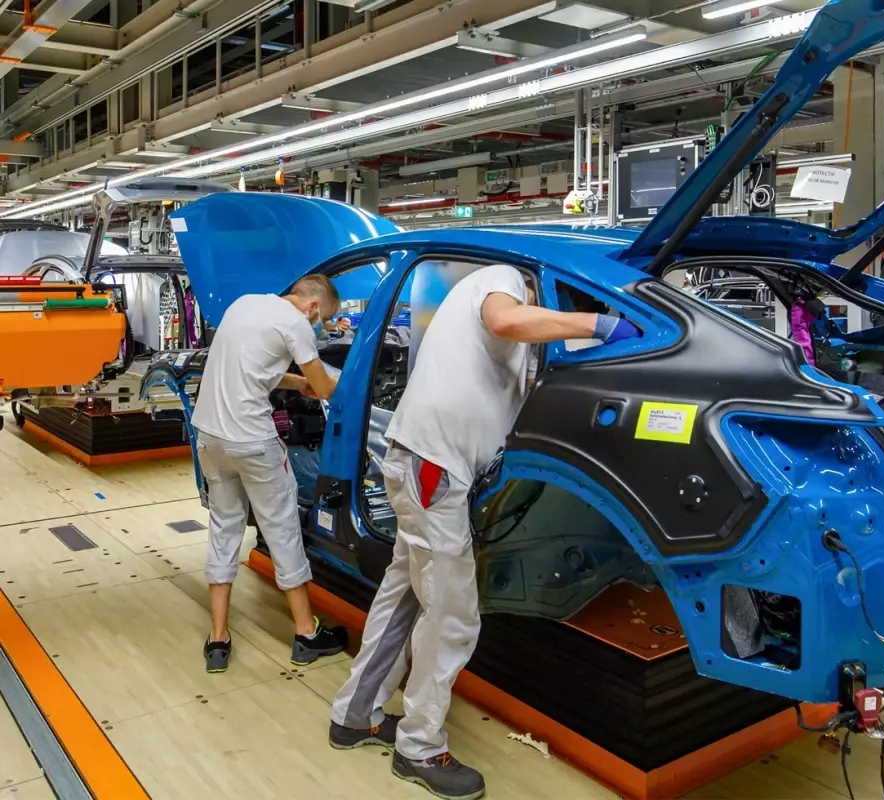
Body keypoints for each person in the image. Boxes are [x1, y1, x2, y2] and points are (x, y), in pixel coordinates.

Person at [329, 265, 639, 800]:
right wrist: (598, 326)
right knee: (452, 617)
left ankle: (354, 716)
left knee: (403, 597)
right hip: (434, 466)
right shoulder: (505, 277)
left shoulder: (515, 333)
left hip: (426, 464)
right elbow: (505, 321)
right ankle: (418, 747)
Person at [192, 274, 350, 674]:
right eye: (322, 319)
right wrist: (340, 384)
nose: (320, 326)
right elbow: (327, 390)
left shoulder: (244, 303)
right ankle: (306, 634)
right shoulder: (297, 323)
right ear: (312, 306)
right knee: (282, 529)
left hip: (209, 436)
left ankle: (217, 639)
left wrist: (297, 383)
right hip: (253, 441)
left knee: (223, 528)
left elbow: (252, 369)